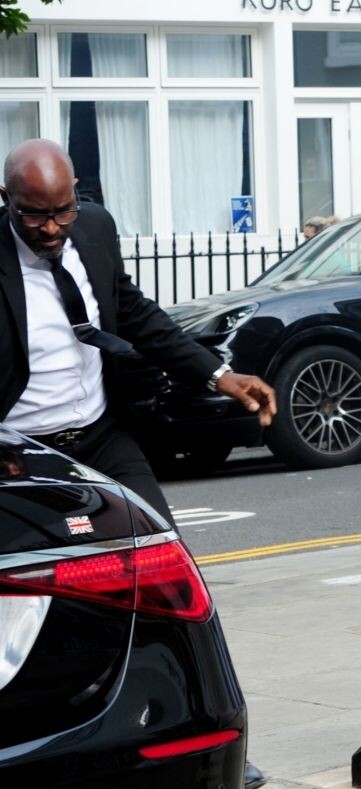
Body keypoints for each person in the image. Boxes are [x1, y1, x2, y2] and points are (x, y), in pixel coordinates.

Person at [0, 139, 275, 789]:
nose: (51, 228)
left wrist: (219, 374)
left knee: (167, 583)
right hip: (23, 456)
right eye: (35, 214)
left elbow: (134, 315)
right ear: (6, 200)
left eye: (62, 211)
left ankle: (197, 733)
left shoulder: (95, 228)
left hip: (101, 437)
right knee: (38, 597)